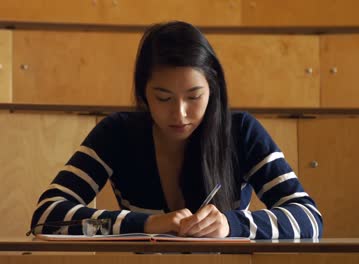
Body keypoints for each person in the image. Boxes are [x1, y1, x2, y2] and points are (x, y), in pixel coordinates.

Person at [29, 21, 323, 239]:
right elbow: (48, 219)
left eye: (194, 97)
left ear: (213, 90)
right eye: (163, 98)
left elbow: (309, 218)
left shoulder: (241, 131)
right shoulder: (116, 134)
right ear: (144, 94)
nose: (180, 113)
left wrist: (232, 225)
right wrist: (142, 223)